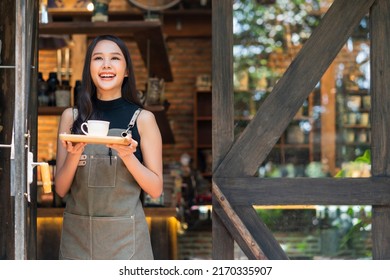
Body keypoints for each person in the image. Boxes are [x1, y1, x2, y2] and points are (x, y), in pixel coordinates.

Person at [55, 35, 163, 260]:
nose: (106, 65)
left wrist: (128, 157)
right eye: (98, 59)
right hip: (78, 240)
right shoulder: (71, 117)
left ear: (126, 71)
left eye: (115, 58)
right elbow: (61, 189)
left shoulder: (143, 120)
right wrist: (74, 155)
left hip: (127, 244)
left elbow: (155, 189)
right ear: (89, 69)